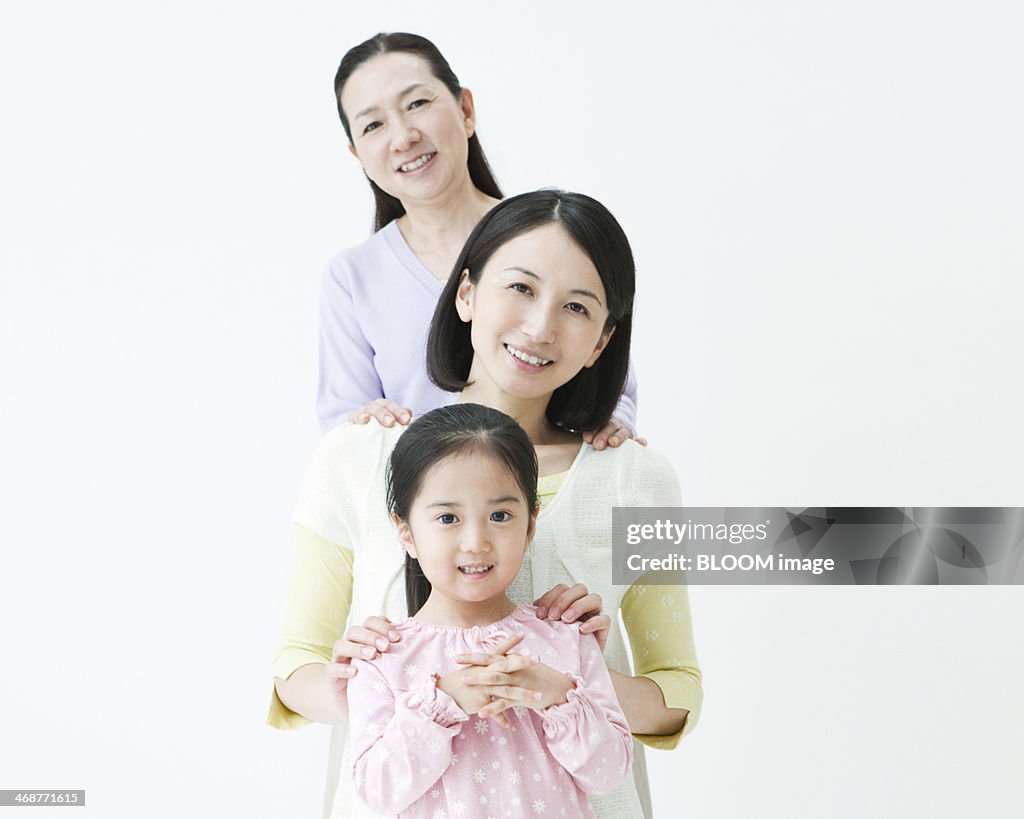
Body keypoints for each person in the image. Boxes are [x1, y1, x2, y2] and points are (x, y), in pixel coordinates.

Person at [270, 190, 702, 819]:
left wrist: (563, 671)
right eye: (520, 288)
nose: (540, 326)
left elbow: (679, 690)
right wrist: (386, 682)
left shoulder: (638, 480)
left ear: (603, 341)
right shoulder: (359, 456)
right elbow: (292, 666)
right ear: (466, 294)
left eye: (576, 307)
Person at [318, 32, 637, 449]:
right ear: (358, 154)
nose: (403, 137)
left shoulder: (545, 235)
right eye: (373, 124)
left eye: (417, 104)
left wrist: (612, 422)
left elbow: (611, 378)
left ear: (465, 109)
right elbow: (342, 432)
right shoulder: (352, 277)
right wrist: (363, 425)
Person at [348, 403, 632, 818]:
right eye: (448, 517)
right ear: (406, 531)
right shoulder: (382, 657)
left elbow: (609, 774)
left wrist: (557, 695)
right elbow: (376, 792)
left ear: (530, 525)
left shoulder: (564, 635)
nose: (476, 541)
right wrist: (441, 703)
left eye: (500, 515)